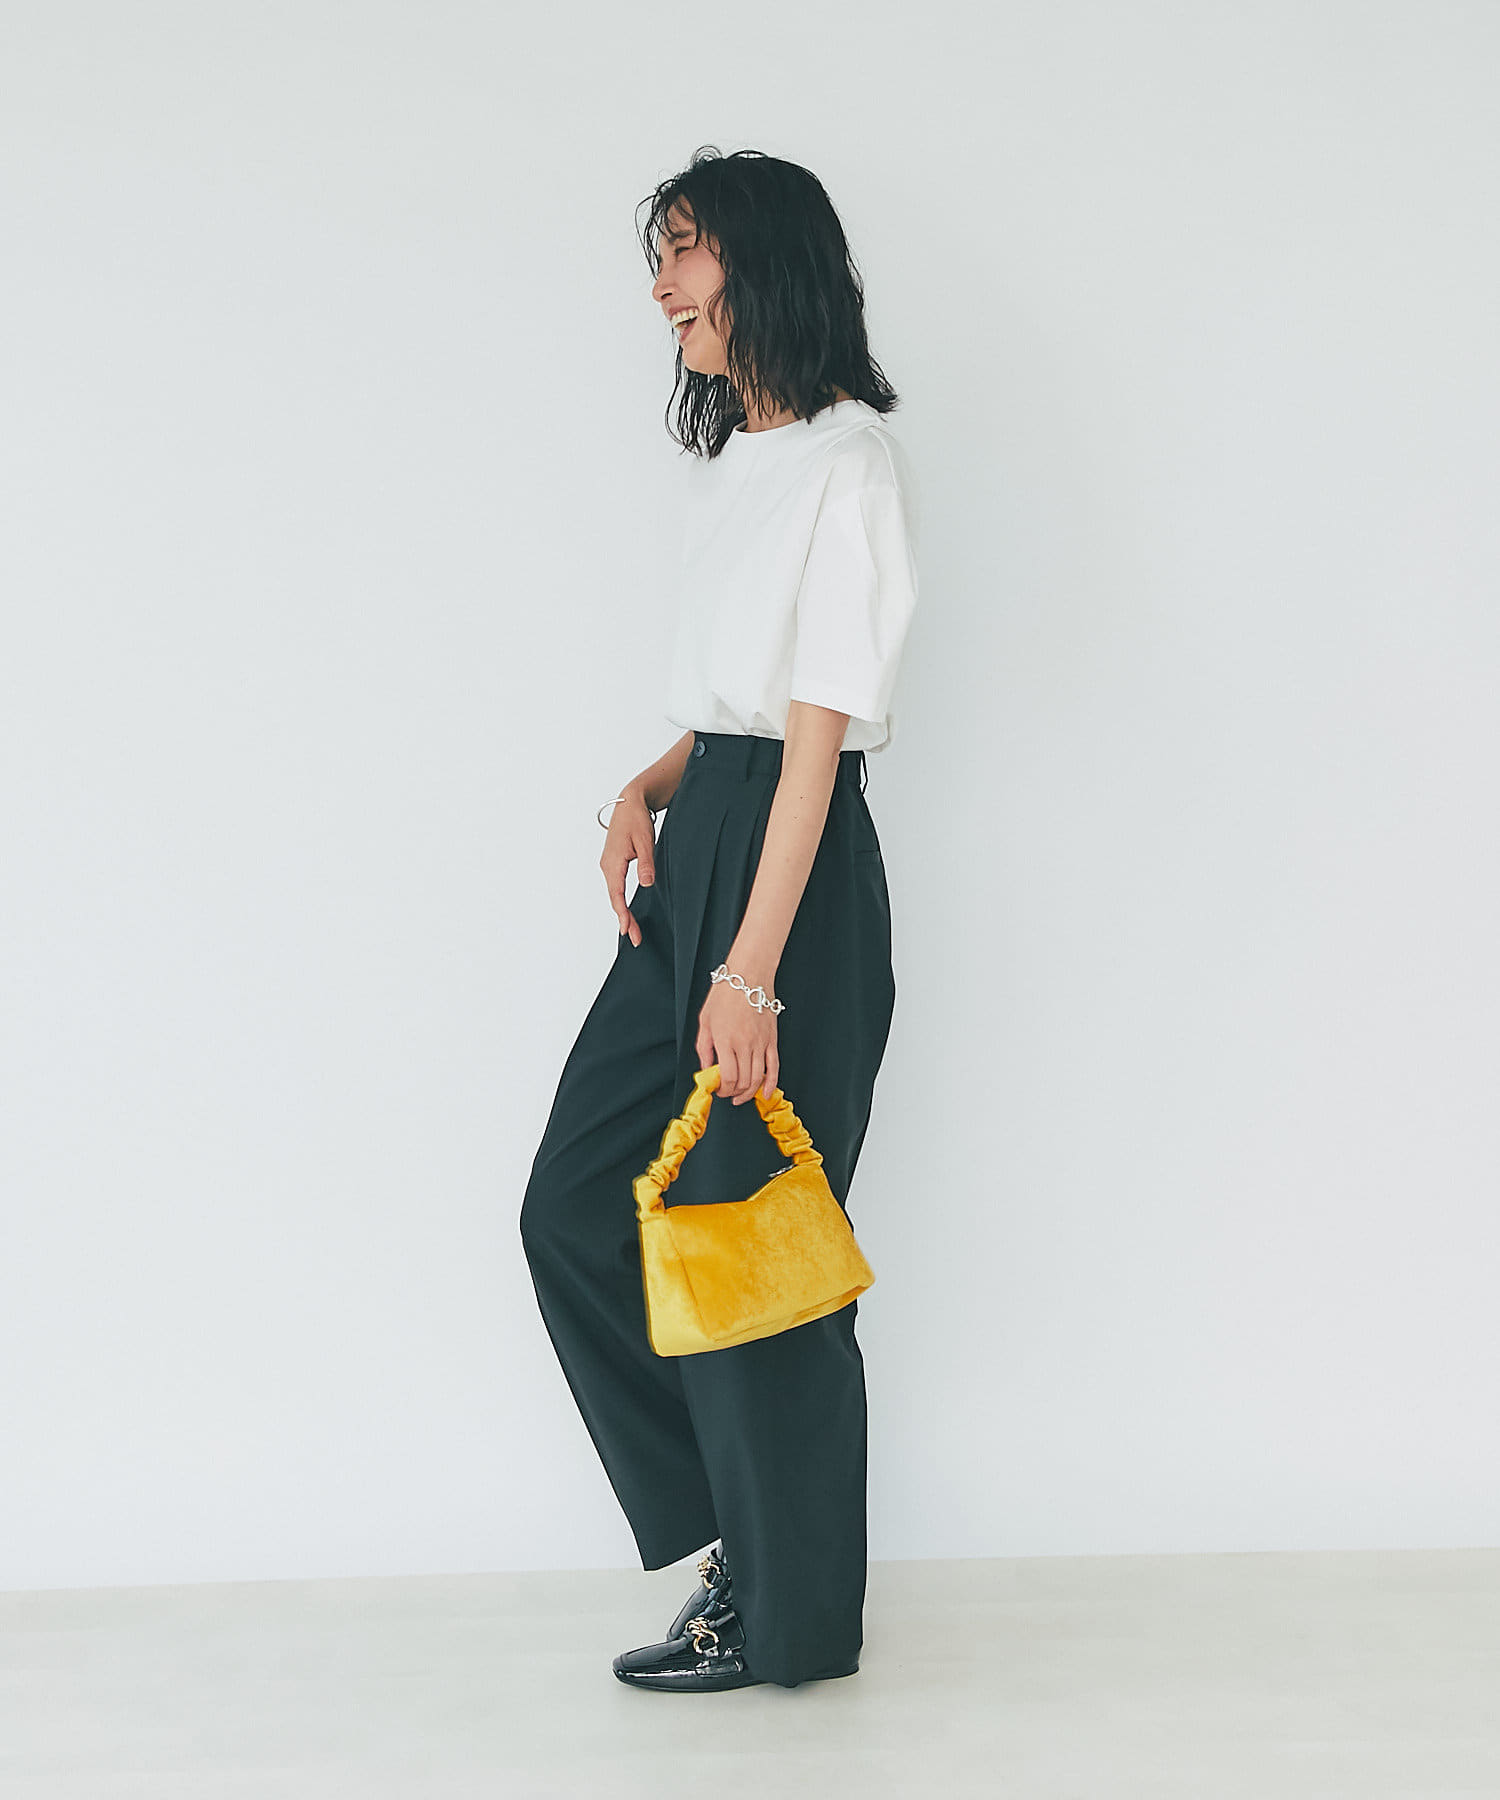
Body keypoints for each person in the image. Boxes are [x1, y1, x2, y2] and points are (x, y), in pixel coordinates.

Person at [518, 145, 920, 1693]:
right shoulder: (743, 462)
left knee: (756, 1249)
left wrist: (751, 971)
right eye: (662, 258)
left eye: (687, 253)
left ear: (765, 263)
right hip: (705, 847)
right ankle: (746, 1537)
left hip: (789, 887)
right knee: (576, 1204)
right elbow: (736, 711)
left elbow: (815, 742)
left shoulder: (848, 460)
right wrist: (651, 780)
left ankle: (790, 1616)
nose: (664, 288)